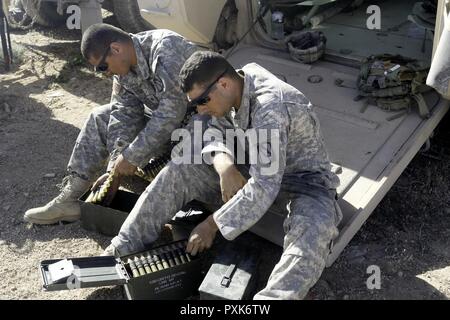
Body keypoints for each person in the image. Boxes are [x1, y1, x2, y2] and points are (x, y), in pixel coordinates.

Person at [104, 51, 343, 299]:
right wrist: (225, 166)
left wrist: (211, 225)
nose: (200, 111)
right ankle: (121, 248)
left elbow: (264, 186)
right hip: (253, 168)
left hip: (304, 183)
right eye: (194, 104)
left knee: (311, 236)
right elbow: (216, 132)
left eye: (202, 101)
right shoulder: (234, 86)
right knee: (181, 169)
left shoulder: (270, 108)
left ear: (224, 84)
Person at [23, 23, 201, 225]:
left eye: (102, 67)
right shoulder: (123, 70)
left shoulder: (165, 50)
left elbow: (171, 112)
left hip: (202, 132)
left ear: (116, 49)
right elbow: (123, 113)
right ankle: (71, 197)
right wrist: (115, 167)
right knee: (100, 116)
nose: (104, 73)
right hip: (170, 131)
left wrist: (131, 156)